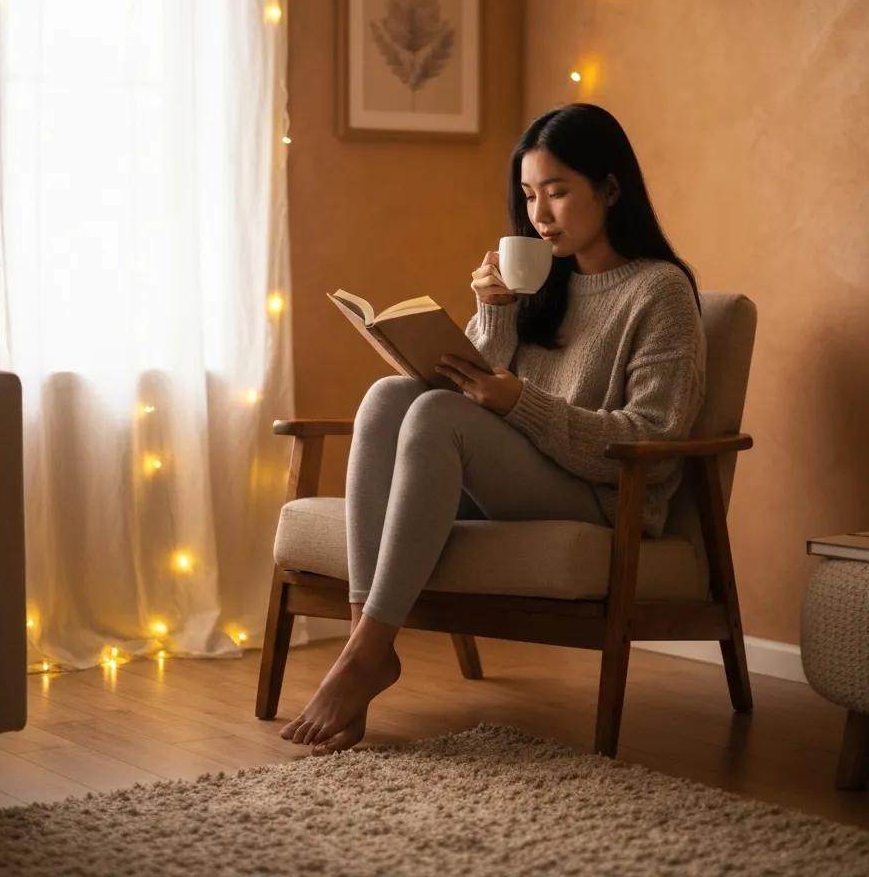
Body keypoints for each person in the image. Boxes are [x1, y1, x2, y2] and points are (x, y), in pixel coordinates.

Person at [279, 103, 707, 755]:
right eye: (530, 195)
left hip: (604, 494)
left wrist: (519, 404)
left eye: (559, 192)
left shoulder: (659, 292)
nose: (540, 215)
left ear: (612, 189)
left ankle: (365, 655)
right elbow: (476, 386)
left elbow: (650, 434)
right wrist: (495, 313)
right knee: (390, 395)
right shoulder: (542, 283)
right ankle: (366, 646)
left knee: (434, 414)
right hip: (520, 476)